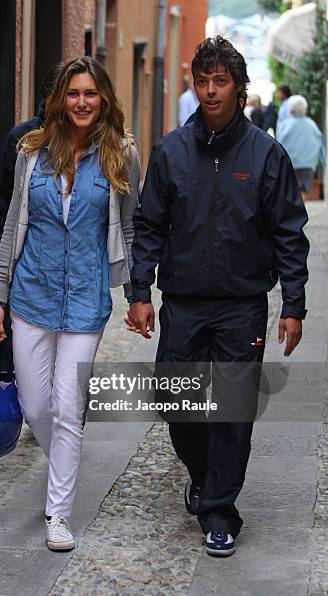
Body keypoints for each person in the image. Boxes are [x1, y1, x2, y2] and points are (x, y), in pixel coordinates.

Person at [126, 36, 309, 557]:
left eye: (220, 81)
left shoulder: (266, 155)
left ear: (239, 90)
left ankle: (221, 512)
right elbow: (148, 225)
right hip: (182, 302)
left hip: (241, 304)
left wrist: (292, 305)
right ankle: (204, 475)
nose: (210, 91)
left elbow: (289, 233)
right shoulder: (170, 152)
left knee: (231, 409)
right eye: (202, 81)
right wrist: (141, 292)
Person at [0, 56, 140, 551]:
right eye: (73, 93)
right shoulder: (30, 152)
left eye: (90, 94)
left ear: (104, 99)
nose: (81, 102)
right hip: (31, 295)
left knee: (69, 409)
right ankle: (63, 469)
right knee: (36, 406)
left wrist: (139, 294)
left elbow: (131, 229)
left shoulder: (122, 153)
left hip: (85, 303)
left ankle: (59, 511)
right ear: (59, 99)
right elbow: (13, 226)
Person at [0, 63, 64, 287]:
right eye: (57, 98)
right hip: (25, 262)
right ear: (45, 100)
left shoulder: (93, 145)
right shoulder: (23, 139)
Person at [276, 94, 326, 194]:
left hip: (290, 163)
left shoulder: (286, 124)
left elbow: (278, 143)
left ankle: (296, 208)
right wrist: (323, 160)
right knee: (305, 190)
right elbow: (320, 141)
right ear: (305, 108)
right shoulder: (311, 124)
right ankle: (303, 206)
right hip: (308, 163)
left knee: (291, 190)